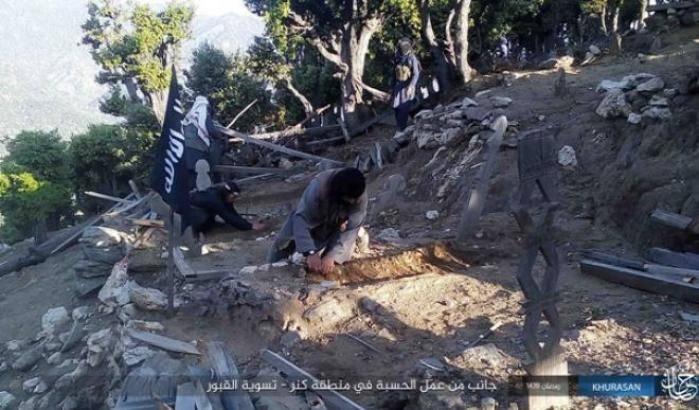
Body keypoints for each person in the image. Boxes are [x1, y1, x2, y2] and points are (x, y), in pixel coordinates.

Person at [268, 167, 368, 275]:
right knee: (282, 244)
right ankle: (271, 269)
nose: (350, 201)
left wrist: (332, 255)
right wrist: (310, 252)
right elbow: (301, 219)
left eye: (351, 201)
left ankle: (358, 238)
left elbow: (351, 229)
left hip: (336, 222)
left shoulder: (359, 197)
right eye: (346, 199)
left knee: (334, 254)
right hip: (311, 216)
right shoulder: (319, 187)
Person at [189, 180, 266, 235]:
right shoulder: (215, 201)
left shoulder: (222, 195)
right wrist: (250, 226)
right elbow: (228, 217)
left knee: (208, 212)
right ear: (227, 193)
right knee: (201, 215)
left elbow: (231, 212)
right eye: (233, 196)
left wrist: (246, 223)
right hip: (189, 211)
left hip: (197, 207)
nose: (234, 199)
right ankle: (197, 231)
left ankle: (209, 225)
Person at [392, 37, 420, 131]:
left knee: (404, 107)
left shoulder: (412, 58)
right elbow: (393, 74)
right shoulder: (397, 58)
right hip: (398, 87)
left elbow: (416, 74)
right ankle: (400, 128)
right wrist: (392, 88)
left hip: (408, 86)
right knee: (396, 108)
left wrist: (411, 86)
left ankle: (403, 130)